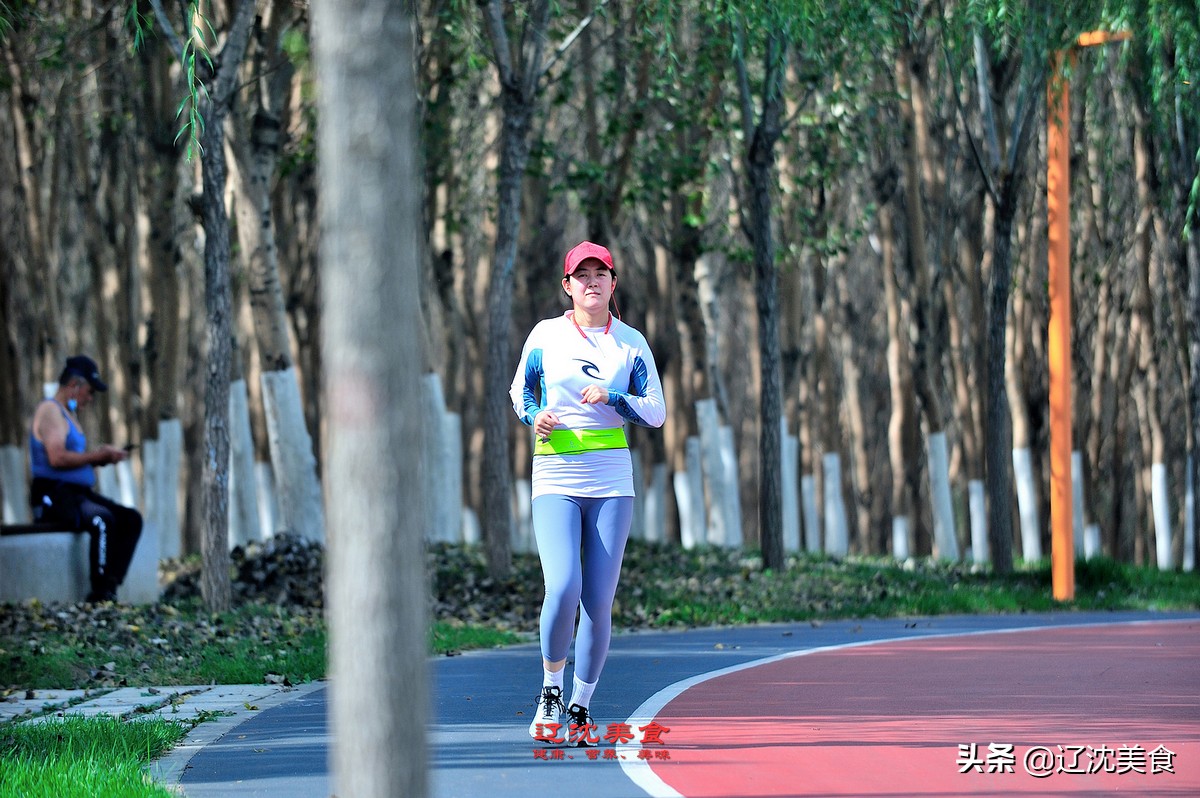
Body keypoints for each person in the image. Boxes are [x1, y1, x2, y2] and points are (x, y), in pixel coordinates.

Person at [510, 241, 666, 746]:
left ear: (613, 284)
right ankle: (550, 691)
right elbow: (521, 393)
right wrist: (538, 417)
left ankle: (580, 705)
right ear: (568, 286)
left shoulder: (630, 343)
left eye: (601, 273)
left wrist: (616, 398)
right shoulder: (546, 336)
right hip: (555, 475)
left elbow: (656, 411)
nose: (592, 282)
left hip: (611, 482)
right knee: (563, 587)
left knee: (599, 600)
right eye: (582, 275)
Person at [28, 355, 142, 603]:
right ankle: (99, 594)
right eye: (89, 392)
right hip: (54, 494)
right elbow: (56, 458)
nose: (90, 400)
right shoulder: (50, 411)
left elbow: (75, 459)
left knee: (131, 520)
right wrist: (96, 456)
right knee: (101, 520)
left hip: (78, 494)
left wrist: (101, 458)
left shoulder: (70, 416)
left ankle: (110, 585)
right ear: (74, 386)